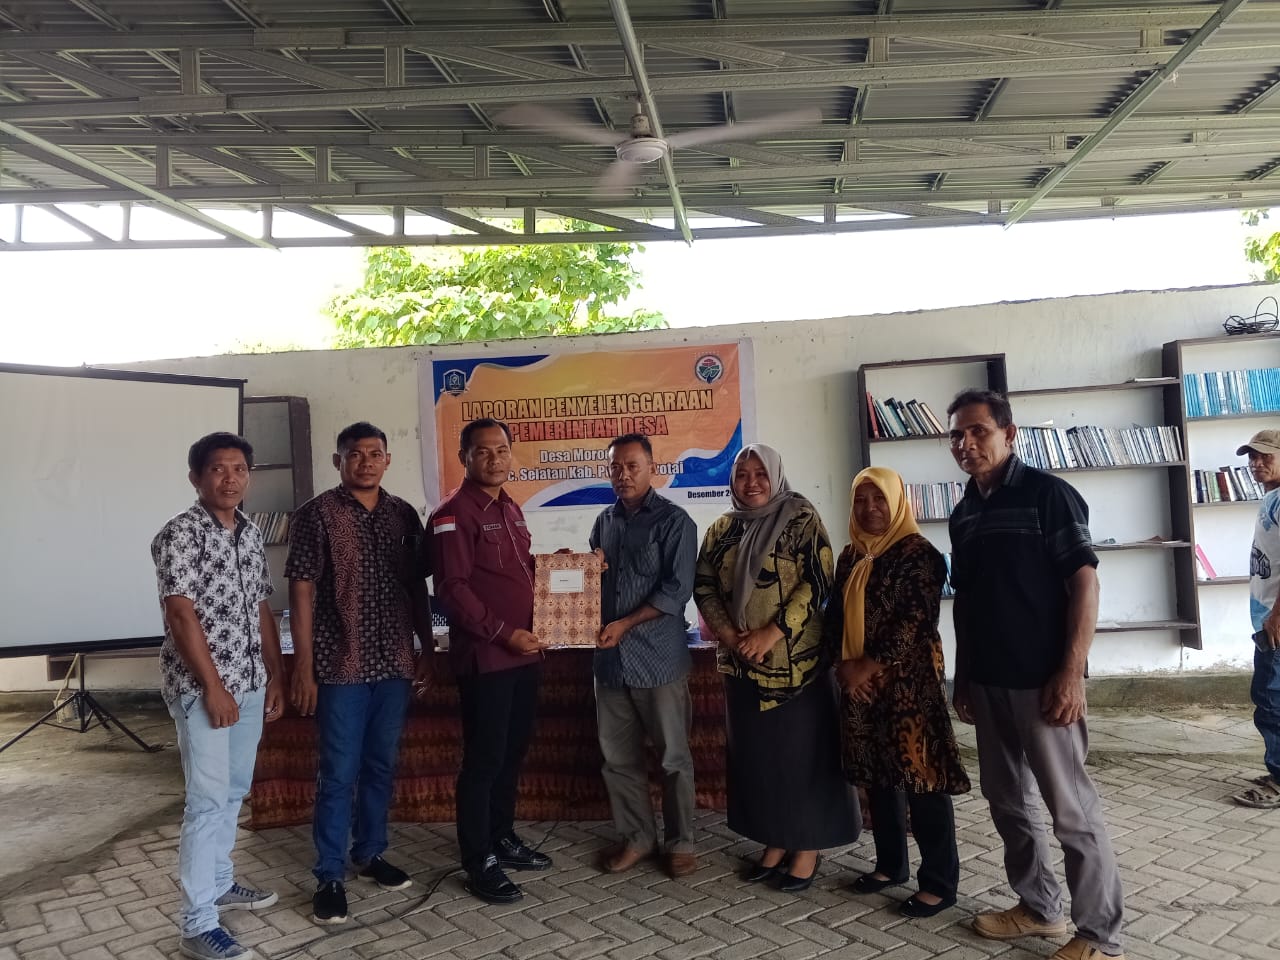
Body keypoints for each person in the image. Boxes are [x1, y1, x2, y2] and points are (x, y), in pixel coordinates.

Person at [947, 388, 1125, 960]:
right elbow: (967, 602)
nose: (966, 443)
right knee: (1008, 803)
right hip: (989, 682)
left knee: (1071, 811)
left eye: (978, 431)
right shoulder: (964, 512)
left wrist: (1071, 672)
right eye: (956, 435)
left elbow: (1084, 583)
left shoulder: (1049, 495)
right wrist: (964, 676)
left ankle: (1099, 937)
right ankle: (1040, 909)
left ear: (1009, 434)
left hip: (1044, 682)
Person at [694, 443, 859, 893]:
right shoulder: (722, 528)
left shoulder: (801, 518)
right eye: (742, 474)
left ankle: (807, 846)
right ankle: (776, 839)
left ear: (776, 475)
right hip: (742, 667)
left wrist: (772, 632)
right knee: (761, 760)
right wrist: (731, 637)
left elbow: (818, 581)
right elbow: (704, 585)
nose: (751, 483)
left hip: (796, 667)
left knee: (803, 758)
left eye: (760, 474)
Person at [286, 422, 433, 925]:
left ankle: (369, 852)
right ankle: (329, 873)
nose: (366, 462)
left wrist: (426, 649)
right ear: (339, 461)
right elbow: (301, 591)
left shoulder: (403, 514)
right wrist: (303, 666)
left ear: (388, 459)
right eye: (355, 454)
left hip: (394, 662)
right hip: (340, 664)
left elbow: (417, 588)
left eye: (375, 453)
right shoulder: (316, 515)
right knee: (338, 773)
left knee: (380, 766)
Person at [152, 432, 286, 960]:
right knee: (206, 803)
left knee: (232, 792)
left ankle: (220, 881)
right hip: (203, 690)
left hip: (250, 684)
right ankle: (196, 923)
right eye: (217, 469)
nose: (230, 478)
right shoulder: (180, 534)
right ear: (196, 477)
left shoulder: (249, 533)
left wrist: (274, 675)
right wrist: (213, 688)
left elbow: (260, 607)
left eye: (239, 469)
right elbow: (179, 614)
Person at [826, 467, 970, 918]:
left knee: (922, 779)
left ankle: (940, 882)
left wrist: (866, 668)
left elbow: (915, 622)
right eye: (861, 500)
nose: (870, 508)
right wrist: (843, 667)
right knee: (878, 776)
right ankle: (890, 865)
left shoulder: (920, 554)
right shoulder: (851, 555)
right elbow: (833, 618)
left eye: (879, 499)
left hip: (910, 688)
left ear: (898, 502)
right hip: (861, 687)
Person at [429, 417, 552, 904]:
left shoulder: (510, 508)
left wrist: (567, 568)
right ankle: (478, 859)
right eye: (483, 451)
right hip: (488, 657)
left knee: (511, 753)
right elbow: (452, 589)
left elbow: (521, 571)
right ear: (464, 457)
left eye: (501, 450)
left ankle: (501, 837)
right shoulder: (453, 514)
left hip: (525, 655)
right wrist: (504, 634)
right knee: (484, 760)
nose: (494, 458)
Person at [589, 433, 700, 878]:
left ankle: (681, 842)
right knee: (618, 759)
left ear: (653, 468)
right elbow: (593, 582)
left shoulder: (675, 522)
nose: (624, 474)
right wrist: (574, 568)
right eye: (615, 467)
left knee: (673, 758)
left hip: (658, 660)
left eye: (632, 465)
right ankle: (637, 838)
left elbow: (677, 591)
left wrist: (625, 624)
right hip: (610, 663)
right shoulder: (604, 521)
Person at [1230, 428, 1280, 808]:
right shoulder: (1272, 498)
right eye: (1252, 456)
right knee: (1269, 697)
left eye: (1266, 455)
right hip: (1267, 616)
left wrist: (1277, 616)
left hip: (1276, 621)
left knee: (1271, 699)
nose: (1256, 463)